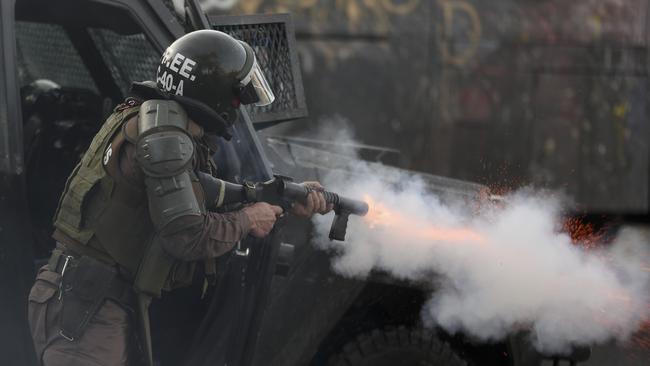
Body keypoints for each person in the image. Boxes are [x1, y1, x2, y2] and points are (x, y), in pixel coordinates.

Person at [27, 30, 331, 366]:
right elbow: (187, 235)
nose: (237, 109)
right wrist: (247, 219)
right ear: (213, 94)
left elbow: (197, 196)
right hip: (86, 309)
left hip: (86, 300)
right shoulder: (164, 137)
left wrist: (282, 199)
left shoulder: (153, 120)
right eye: (236, 100)